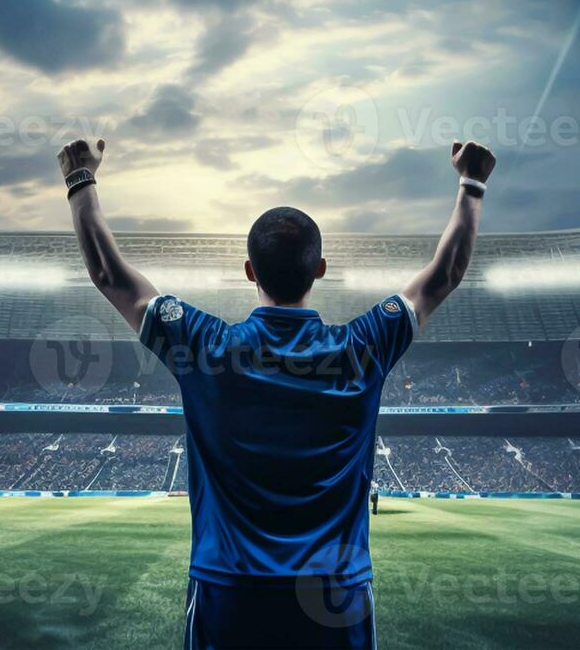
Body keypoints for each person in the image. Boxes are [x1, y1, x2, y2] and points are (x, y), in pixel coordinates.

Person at [58, 136, 496, 649]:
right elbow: (445, 275)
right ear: (320, 269)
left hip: (229, 592)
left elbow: (110, 276)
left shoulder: (205, 347)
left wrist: (80, 179)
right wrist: (472, 184)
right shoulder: (363, 346)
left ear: (250, 272)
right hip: (337, 596)